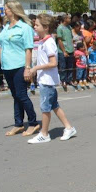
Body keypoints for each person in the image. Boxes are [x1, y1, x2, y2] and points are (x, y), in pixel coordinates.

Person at [0, 1, 40, 136]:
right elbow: (2, 47)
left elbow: (28, 49)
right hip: (7, 66)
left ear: (13, 10)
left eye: (6, 9)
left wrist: (27, 68)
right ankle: (18, 124)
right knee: (15, 96)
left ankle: (33, 123)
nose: (4, 11)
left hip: (19, 65)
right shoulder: (6, 27)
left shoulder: (25, 27)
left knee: (22, 95)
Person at [28, 14, 77, 143]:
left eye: (37, 25)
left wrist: (35, 68)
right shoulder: (43, 41)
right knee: (54, 105)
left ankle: (44, 134)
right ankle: (69, 128)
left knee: (45, 108)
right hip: (45, 79)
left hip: (47, 80)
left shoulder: (49, 43)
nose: (35, 27)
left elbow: (53, 63)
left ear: (45, 27)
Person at [56, 14, 75, 91]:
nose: (70, 20)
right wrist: (64, 51)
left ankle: (69, 80)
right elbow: (59, 40)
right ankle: (63, 80)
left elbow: (71, 38)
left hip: (70, 49)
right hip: (63, 50)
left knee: (70, 66)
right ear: (65, 19)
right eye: (69, 18)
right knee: (63, 66)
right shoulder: (60, 28)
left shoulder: (69, 27)